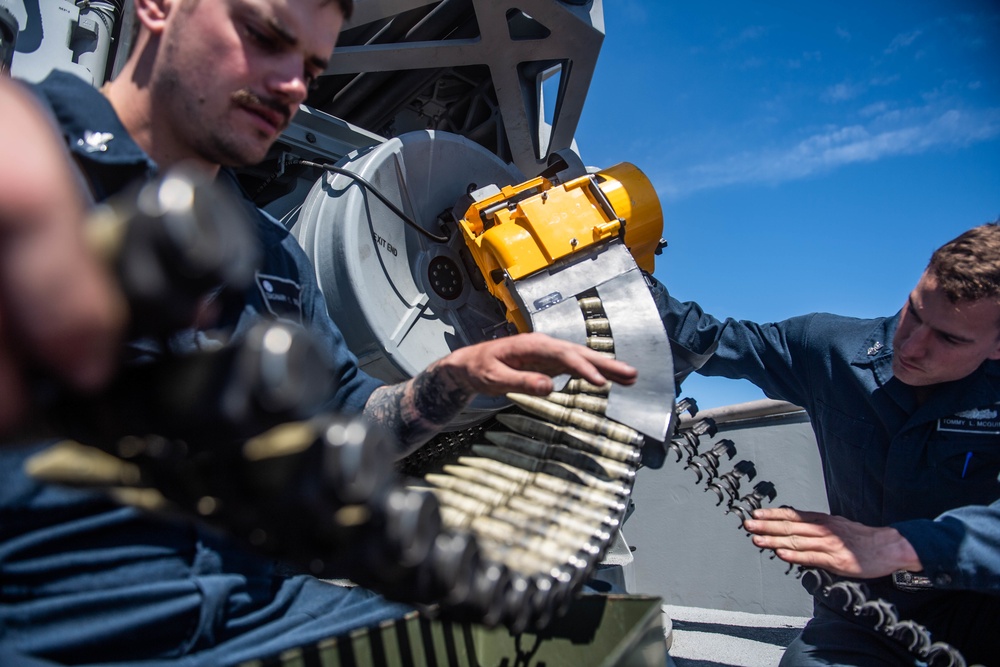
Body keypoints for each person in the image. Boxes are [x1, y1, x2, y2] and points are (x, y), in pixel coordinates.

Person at [0, 0, 638, 665]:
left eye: (310, 66)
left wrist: (454, 377)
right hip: (50, 625)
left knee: (583, 642)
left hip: (253, 613)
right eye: (263, 36)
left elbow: (349, 417)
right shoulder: (26, 155)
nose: (293, 85)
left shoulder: (273, 254)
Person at [651, 222, 1000, 665]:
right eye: (913, 312)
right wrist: (611, 273)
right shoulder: (832, 349)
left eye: (949, 338)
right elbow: (710, 339)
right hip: (864, 615)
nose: (911, 346)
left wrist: (903, 546)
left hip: (983, 607)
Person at [0, 78, 125, 436]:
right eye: (261, 38)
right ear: (156, 16)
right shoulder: (23, 148)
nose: (291, 84)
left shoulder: (281, 256)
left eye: (303, 68)